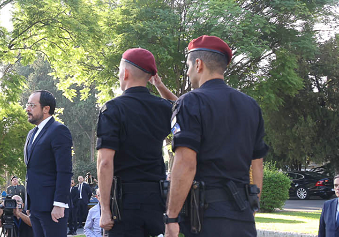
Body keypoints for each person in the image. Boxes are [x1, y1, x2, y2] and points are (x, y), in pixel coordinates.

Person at [163, 36, 269, 237]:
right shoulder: (251, 106)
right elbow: (257, 164)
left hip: (206, 217)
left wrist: (171, 217)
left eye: (188, 66)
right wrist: (252, 206)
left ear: (198, 64)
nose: (187, 72)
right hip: (242, 216)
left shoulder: (190, 102)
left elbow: (186, 163)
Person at [97, 48, 177, 237]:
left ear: (125, 73)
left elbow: (105, 162)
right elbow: (185, 110)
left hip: (124, 204)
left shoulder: (112, 109)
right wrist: (160, 86)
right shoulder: (163, 108)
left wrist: (105, 209)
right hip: (156, 200)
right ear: (150, 77)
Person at [24, 90, 73, 237]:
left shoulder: (59, 130)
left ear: (46, 109)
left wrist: (59, 204)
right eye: (27, 105)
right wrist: (29, 204)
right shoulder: (31, 134)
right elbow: (31, 169)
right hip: (35, 207)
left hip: (53, 208)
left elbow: (64, 170)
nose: (27, 109)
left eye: (32, 105)